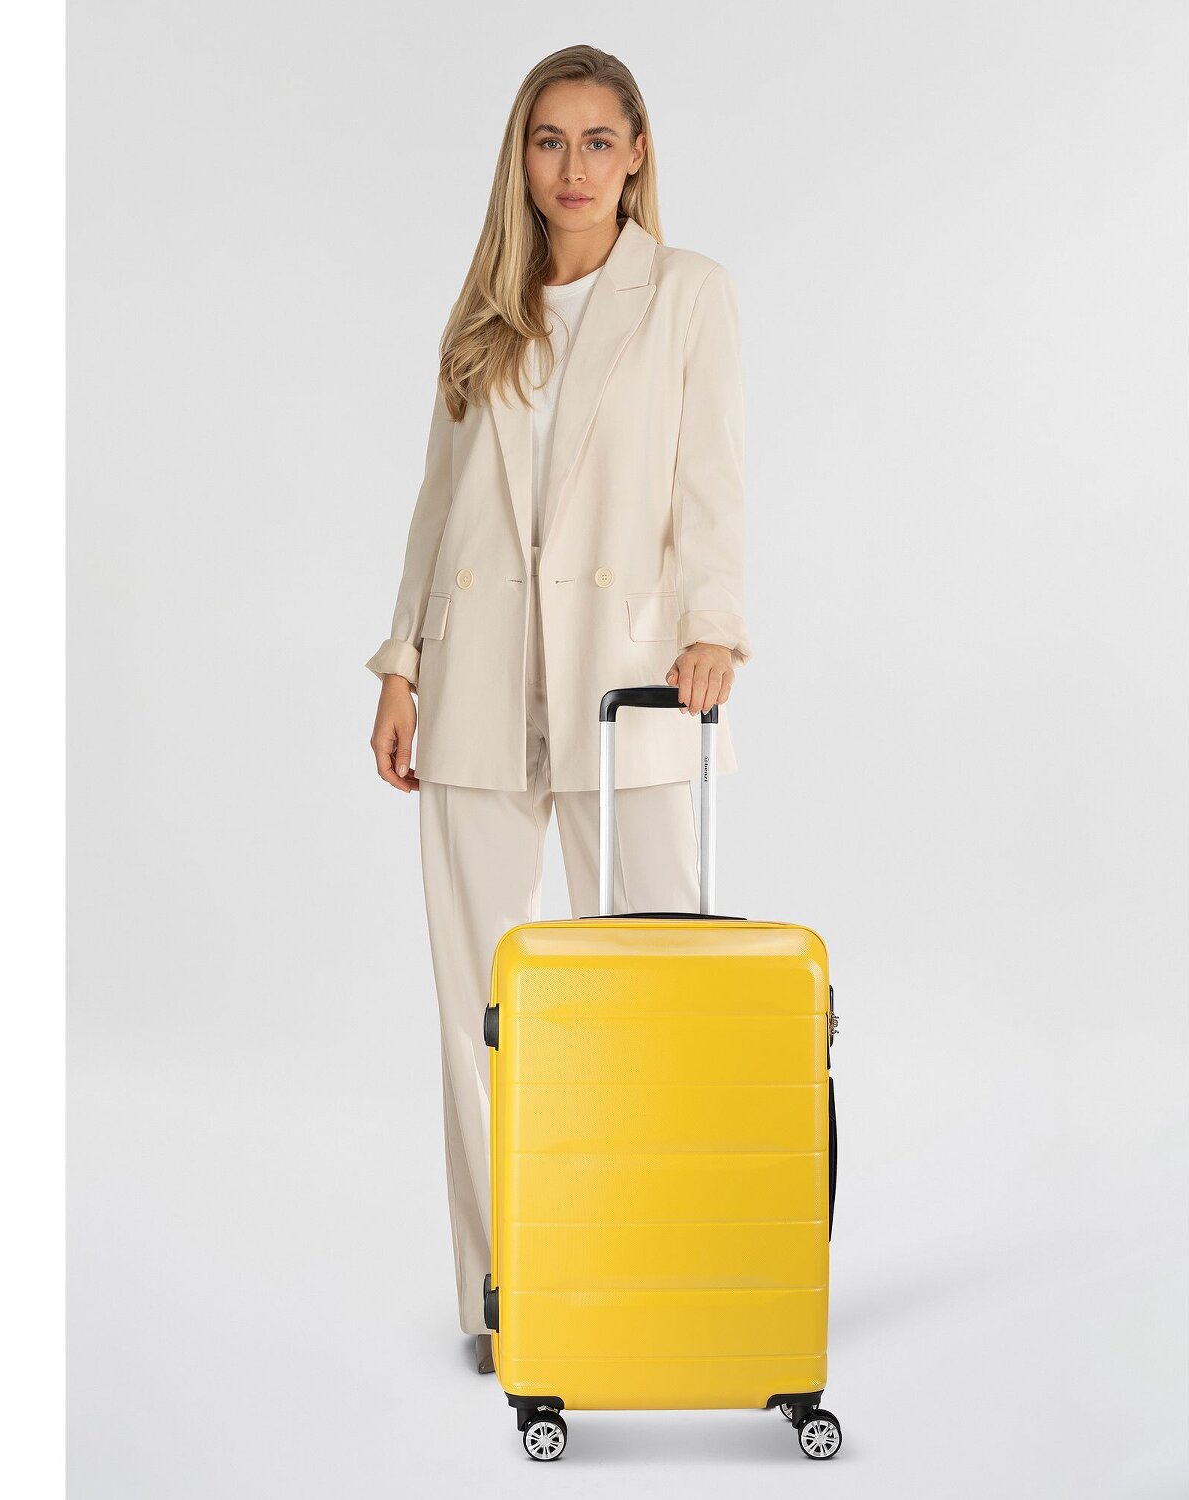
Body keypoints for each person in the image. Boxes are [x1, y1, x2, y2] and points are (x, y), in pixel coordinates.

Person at [366, 44, 752, 1375]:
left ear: (637, 154)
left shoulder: (688, 295)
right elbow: (437, 507)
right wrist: (403, 661)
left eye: (597, 140)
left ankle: (662, 1274)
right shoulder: (485, 310)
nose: (572, 167)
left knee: (659, 995)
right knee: (481, 1010)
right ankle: (508, 1296)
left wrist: (713, 627)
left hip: (629, 680)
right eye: (548, 140)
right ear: (520, 158)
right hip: (477, 683)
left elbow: (712, 482)